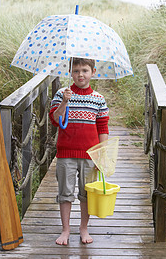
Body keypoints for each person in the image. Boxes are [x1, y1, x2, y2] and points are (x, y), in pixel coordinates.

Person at [49, 57, 109, 245]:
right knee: (65, 193)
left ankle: (84, 228)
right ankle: (65, 230)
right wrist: (64, 103)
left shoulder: (98, 98)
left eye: (84, 70)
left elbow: (103, 128)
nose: (80, 74)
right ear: (70, 73)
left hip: (90, 154)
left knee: (86, 194)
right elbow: (55, 120)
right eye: (76, 71)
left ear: (93, 72)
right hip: (66, 153)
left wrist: (101, 155)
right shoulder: (61, 94)